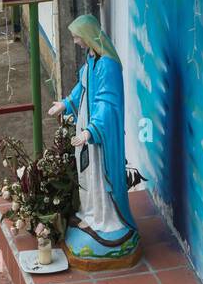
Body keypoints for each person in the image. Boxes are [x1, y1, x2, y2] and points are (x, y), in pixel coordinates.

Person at [49, 14, 142, 270]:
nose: (76, 42)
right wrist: (65, 104)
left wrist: (91, 132)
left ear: (89, 35)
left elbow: (107, 104)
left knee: (100, 176)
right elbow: (83, 88)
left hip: (100, 136)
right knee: (86, 176)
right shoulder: (92, 59)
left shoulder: (108, 66)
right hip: (85, 129)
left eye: (78, 37)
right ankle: (91, 213)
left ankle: (105, 219)